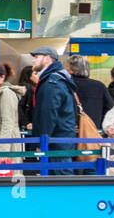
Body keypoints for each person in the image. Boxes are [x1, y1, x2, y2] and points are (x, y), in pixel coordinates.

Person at [29, 45, 78, 175]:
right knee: (57, 176)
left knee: (60, 176)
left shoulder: (52, 82)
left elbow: (48, 114)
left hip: (56, 140)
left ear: (48, 59)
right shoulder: (55, 79)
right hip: (60, 138)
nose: (33, 60)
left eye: (37, 57)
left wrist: (43, 140)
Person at [67, 54, 114, 128]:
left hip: (71, 131)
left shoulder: (66, 85)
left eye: (68, 66)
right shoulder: (99, 86)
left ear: (71, 70)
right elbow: (110, 109)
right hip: (93, 131)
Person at [17, 64, 36, 131]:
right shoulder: (27, 88)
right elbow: (19, 106)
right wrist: (26, 123)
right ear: (29, 75)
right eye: (35, 74)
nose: (37, 76)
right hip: (28, 125)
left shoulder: (22, 87)